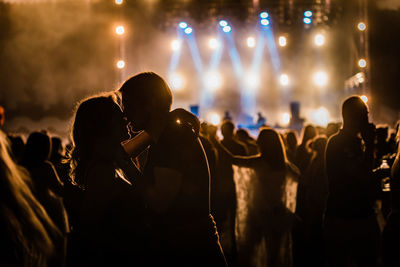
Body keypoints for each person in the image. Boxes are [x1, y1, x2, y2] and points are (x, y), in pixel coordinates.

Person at [119, 72, 227, 266]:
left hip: (190, 250)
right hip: (190, 246)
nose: (125, 114)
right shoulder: (167, 132)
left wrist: (126, 167)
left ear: (149, 102)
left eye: (129, 105)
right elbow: (124, 151)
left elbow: (159, 202)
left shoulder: (172, 137)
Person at [67, 93, 160, 266]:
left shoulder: (108, 162)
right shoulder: (101, 173)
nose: (126, 120)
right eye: (119, 116)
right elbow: (88, 232)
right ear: (103, 125)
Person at [210, 127, 299, 267]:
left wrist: (215, 141)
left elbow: (232, 159)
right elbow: (297, 181)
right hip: (278, 213)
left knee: (249, 252)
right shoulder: (287, 167)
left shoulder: (259, 163)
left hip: (258, 214)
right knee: (274, 257)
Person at [324, 96, 380, 267]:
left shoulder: (356, 142)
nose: (368, 119)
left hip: (358, 214)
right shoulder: (338, 143)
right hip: (345, 218)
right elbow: (361, 176)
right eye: (365, 114)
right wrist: (370, 146)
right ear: (353, 116)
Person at [0, 129, 63, 266]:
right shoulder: (46, 167)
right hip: (47, 213)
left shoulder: (20, 166)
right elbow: (60, 191)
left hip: (28, 213)